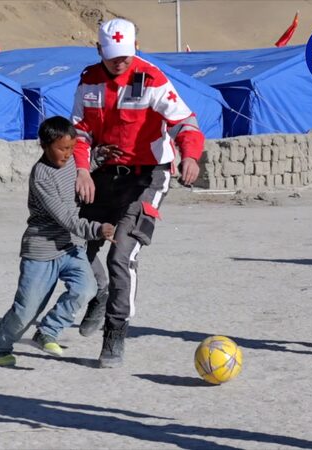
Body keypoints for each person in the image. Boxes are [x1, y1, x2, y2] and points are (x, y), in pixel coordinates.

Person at [71, 18, 205, 368]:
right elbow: (80, 131)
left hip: (148, 175)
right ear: (99, 50)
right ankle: (99, 292)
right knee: (73, 247)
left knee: (121, 256)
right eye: (113, 55)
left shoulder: (152, 78)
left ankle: (114, 335)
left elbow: (184, 122)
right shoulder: (88, 80)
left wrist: (190, 155)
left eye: (126, 55)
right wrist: (82, 169)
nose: (120, 62)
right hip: (104, 174)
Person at [0, 117, 115, 366]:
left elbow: (82, 169)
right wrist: (97, 229)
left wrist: (97, 157)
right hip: (41, 249)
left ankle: (48, 331)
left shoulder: (72, 162)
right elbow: (66, 218)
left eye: (71, 148)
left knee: (86, 289)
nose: (68, 154)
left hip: (71, 247)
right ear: (45, 145)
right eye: (62, 149)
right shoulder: (41, 175)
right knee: (26, 310)